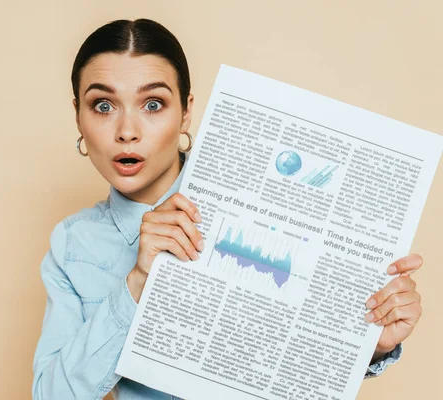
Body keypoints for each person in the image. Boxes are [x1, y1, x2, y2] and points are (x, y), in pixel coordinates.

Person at [32, 18, 423, 400]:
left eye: (153, 104)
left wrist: (369, 344)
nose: (127, 131)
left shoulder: (265, 203)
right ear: (78, 117)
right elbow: (49, 394)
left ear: (186, 111)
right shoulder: (72, 244)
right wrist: (135, 284)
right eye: (103, 105)